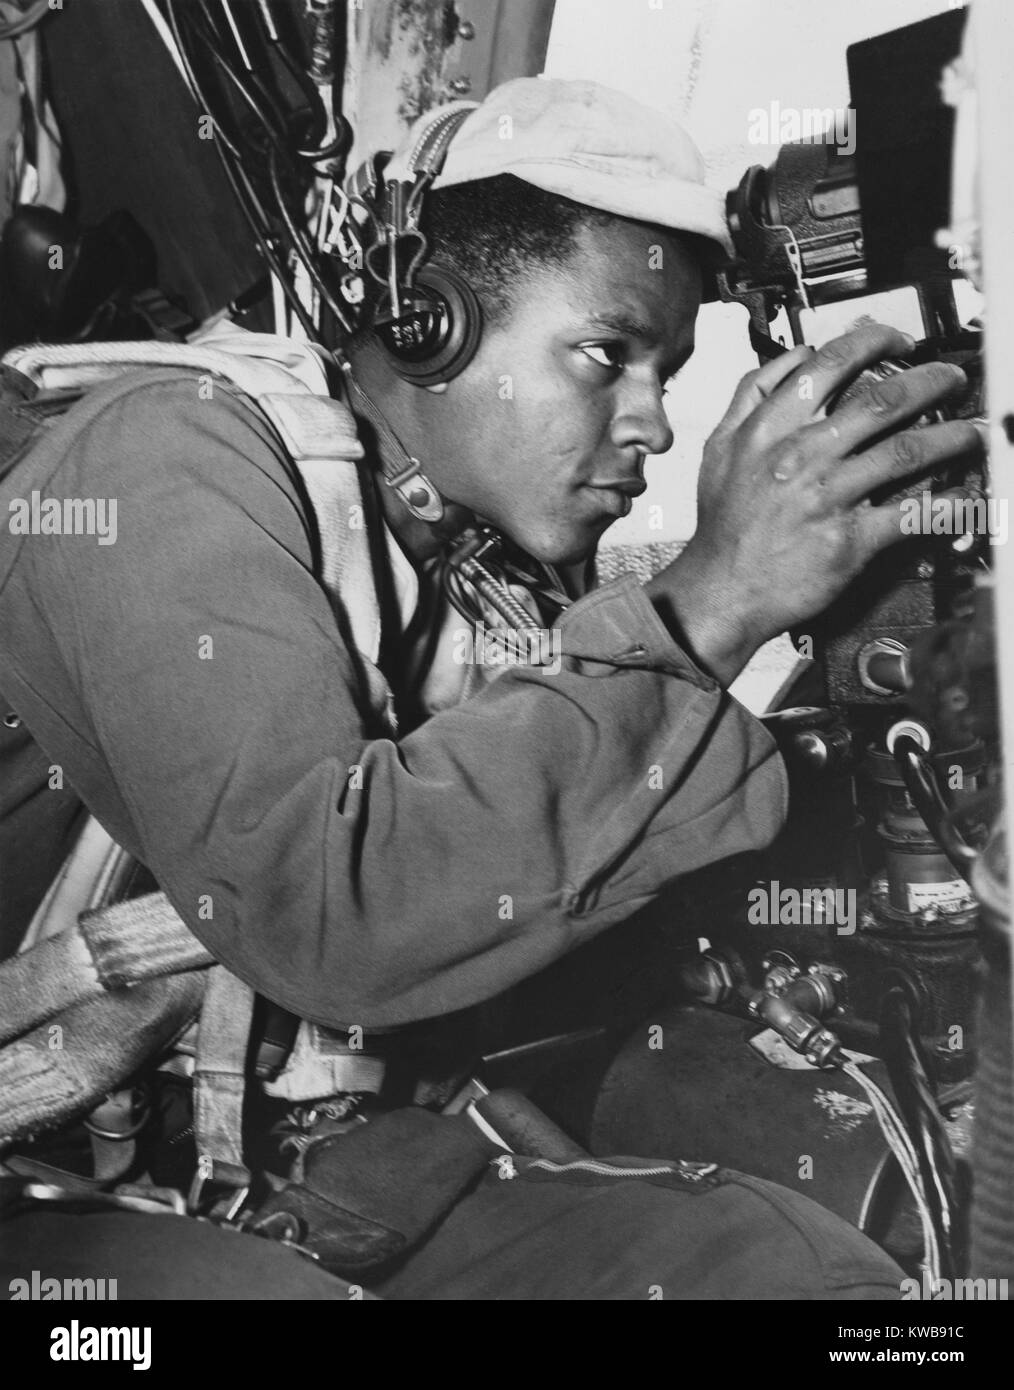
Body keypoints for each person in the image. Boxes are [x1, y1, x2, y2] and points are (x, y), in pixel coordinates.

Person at [0, 78, 980, 1300]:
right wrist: (710, 605)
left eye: (667, 374)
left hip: (299, 1162)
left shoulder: (473, 575)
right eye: (606, 355)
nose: (655, 425)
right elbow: (323, 907)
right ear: (430, 323)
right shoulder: (170, 452)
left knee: (803, 1279)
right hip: (48, 1175)